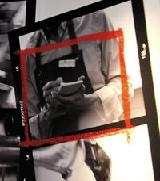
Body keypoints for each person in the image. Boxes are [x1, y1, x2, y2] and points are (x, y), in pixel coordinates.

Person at [24, 11, 128, 139]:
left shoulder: (96, 20)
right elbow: (29, 128)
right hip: (61, 147)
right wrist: (49, 113)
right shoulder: (29, 53)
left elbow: (123, 82)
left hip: (103, 138)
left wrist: (92, 100)